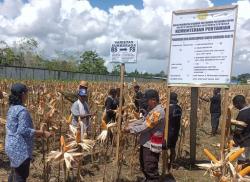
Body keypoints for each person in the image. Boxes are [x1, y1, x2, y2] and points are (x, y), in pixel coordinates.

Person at [5, 83, 52, 182]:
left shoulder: (12, 108)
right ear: (22, 94)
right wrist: (43, 133)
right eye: (26, 93)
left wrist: (35, 134)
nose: (27, 95)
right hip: (20, 149)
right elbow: (24, 130)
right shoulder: (22, 111)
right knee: (21, 175)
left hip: (10, 145)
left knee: (14, 172)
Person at [124, 89, 165, 182]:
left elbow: (146, 126)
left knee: (150, 169)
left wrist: (130, 130)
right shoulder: (152, 110)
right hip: (146, 144)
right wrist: (130, 125)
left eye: (148, 100)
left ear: (154, 100)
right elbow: (143, 120)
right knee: (144, 166)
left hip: (152, 145)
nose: (146, 102)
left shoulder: (158, 112)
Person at [166, 92, 182, 171]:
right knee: (173, 148)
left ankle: (167, 165)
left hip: (168, 132)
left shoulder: (168, 109)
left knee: (166, 148)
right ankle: (172, 163)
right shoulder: (179, 108)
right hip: (176, 131)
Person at [232, 95, 250, 162]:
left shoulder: (243, 114)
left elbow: (238, 131)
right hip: (248, 139)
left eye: (235, 104)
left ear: (239, 103)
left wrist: (231, 127)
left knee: (242, 162)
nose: (235, 106)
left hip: (244, 142)